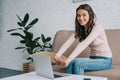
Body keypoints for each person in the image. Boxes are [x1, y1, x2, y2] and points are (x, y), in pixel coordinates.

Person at [54, 4, 112, 75]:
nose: (81, 18)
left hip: (105, 60)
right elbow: (68, 42)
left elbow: (84, 43)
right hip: (93, 58)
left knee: (77, 63)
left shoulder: (98, 27)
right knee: (72, 62)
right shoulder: (81, 30)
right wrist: (57, 56)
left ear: (90, 15)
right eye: (78, 15)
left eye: (84, 15)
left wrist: (68, 59)